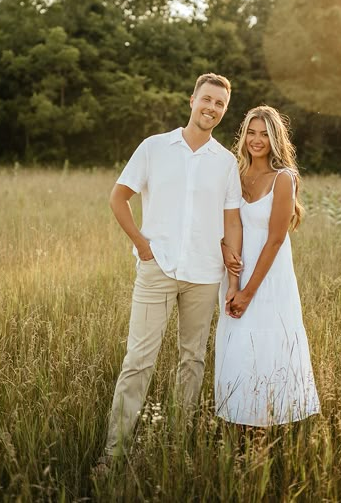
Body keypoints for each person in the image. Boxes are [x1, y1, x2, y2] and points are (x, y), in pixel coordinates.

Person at [94, 73, 242, 474]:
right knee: (139, 359)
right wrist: (143, 246)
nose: (211, 108)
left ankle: (175, 447)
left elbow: (232, 223)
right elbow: (118, 197)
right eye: (206, 100)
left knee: (192, 360)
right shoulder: (154, 147)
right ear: (192, 99)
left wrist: (233, 279)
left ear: (223, 111)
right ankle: (114, 453)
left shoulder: (227, 163)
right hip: (156, 269)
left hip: (203, 274)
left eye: (220, 105)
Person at [215, 105, 320, 426]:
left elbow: (275, 240)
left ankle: (275, 421)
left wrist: (248, 291)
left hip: (269, 277)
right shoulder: (233, 174)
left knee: (269, 343)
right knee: (237, 345)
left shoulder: (283, 179)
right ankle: (238, 418)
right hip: (235, 273)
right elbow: (226, 223)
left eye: (264, 134)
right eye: (251, 132)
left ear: (276, 139)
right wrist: (223, 249)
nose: (256, 140)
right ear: (243, 135)